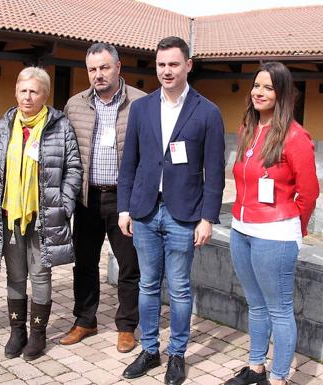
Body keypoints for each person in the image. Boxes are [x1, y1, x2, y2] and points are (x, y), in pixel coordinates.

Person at [118, 36, 225, 385]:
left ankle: (176, 355)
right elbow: (129, 163)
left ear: (188, 65)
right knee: (148, 285)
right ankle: (149, 349)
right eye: (161, 64)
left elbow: (215, 171)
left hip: (184, 214)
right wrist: (125, 208)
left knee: (178, 288)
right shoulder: (142, 108)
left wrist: (207, 217)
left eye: (174, 64)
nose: (167, 71)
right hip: (145, 212)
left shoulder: (207, 112)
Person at [226, 62, 319, 385]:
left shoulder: (296, 137)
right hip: (242, 228)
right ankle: (255, 368)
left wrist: (293, 229)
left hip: (276, 233)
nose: (259, 92)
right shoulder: (248, 129)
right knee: (255, 304)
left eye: (268, 87)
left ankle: (278, 378)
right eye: (256, 85)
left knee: (279, 310)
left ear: (283, 93)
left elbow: (309, 193)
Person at [0, 67, 82, 360]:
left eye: (34, 91)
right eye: (23, 90)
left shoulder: (59, 127)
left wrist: (64, 204)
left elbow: (73, 169)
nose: (27, 96)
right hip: (9, 214)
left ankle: (37, 334)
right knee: (15, 275)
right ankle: (17, 332)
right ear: (15, 91)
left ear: (45, 95)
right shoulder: (4, 126)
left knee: (39, 274)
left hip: (42, 216)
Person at [61, 42, 145, 352]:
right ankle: (85, 320)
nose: (98, 74)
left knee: (128, 265)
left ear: (118, 67)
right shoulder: (75, 105)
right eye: (92, 69)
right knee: (84, 262)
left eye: (104, 67)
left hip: (125, 202)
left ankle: (126, 326)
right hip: (87, 199)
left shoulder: (141, 103)